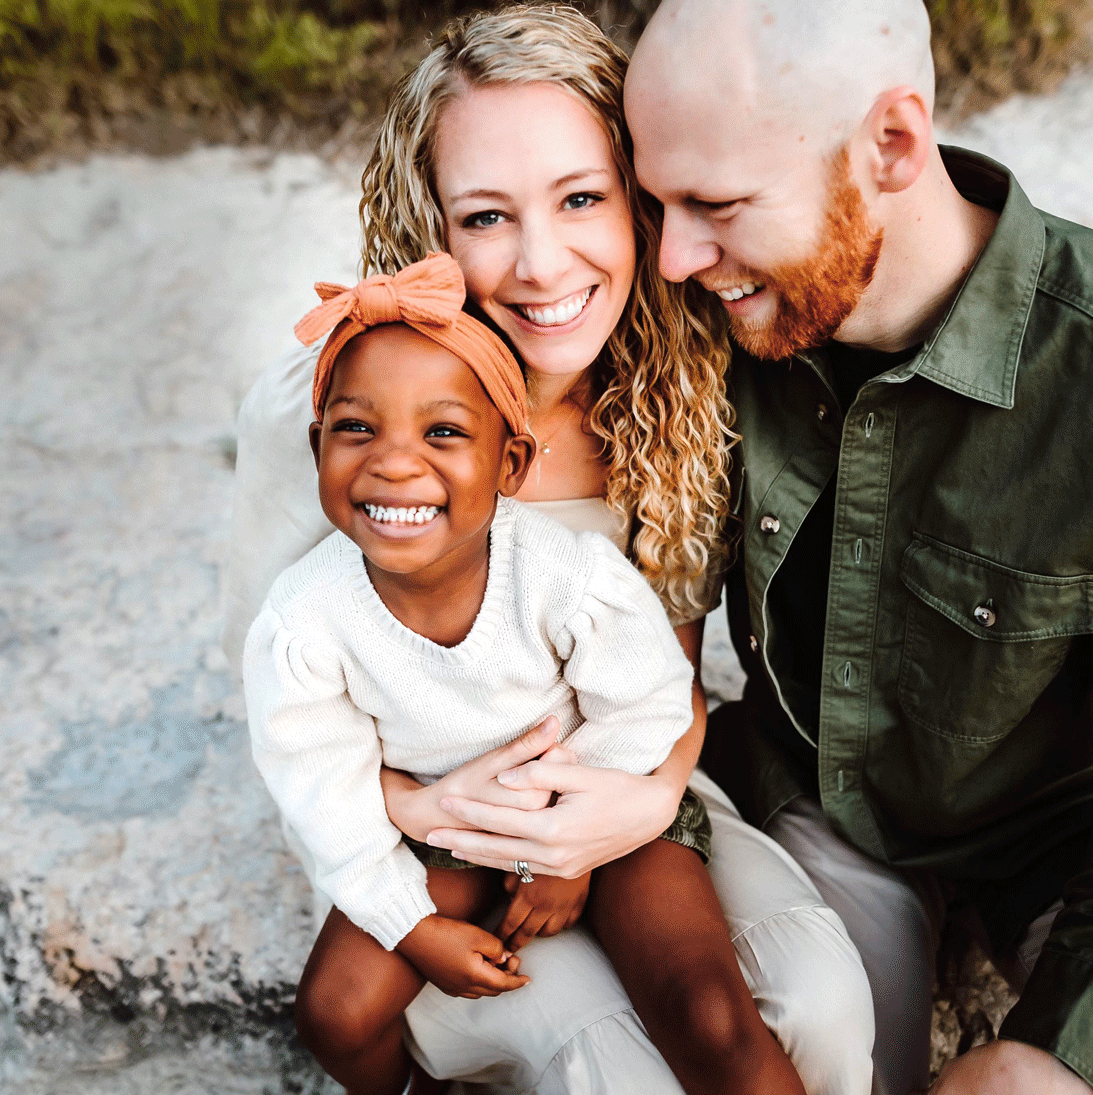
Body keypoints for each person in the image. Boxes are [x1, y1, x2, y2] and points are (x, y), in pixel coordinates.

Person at [223, 6, 875, 1095]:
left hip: (619, 783)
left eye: (581, 198)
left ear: (637, 197)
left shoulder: (677, 388)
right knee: (613, 1065)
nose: (540, 264)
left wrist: (636, 798)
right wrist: (425, 814)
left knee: (810, 1004)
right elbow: (287, 697)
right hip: (417, 814)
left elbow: (660, 667)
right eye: (485, 215)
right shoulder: (330, 417)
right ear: (428, 226)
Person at [620, 1, 1093, 1094]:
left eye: (718, 205)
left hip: (1066, 841)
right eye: (657, 202)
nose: (678, 256)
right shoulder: (705, 314)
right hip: (819, 798)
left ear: (891, 143)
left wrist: (1050, 1056)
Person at [246, 251, 814, 1095]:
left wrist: (569, 847)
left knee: (706, 1011)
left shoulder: (565, 575)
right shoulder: (304, 618)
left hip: (602, 807)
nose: (394, 463)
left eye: (442, 432)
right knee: (335, 1008)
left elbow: (650, 700)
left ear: (510, 464)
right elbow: (321, 784)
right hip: (445, 827)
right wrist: (411, 926)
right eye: (357, 428)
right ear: (316, 443)